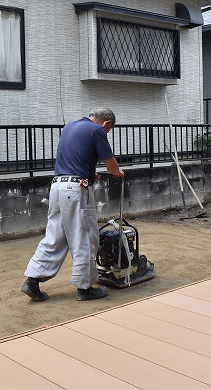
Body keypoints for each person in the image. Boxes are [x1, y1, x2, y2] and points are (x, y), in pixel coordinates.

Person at [22, 107, 125, 302]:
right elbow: (110, 162)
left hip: (56, 188)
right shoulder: (97, 131)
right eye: (108, 130)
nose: (106, 133)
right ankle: (85, 288)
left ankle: (32, 280)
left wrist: (88, 172)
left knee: (55, 236)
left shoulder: (69, 127)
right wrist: (118, 173)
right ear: (106, 123)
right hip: (75, 190)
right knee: (85, 236)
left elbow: (74, 158)